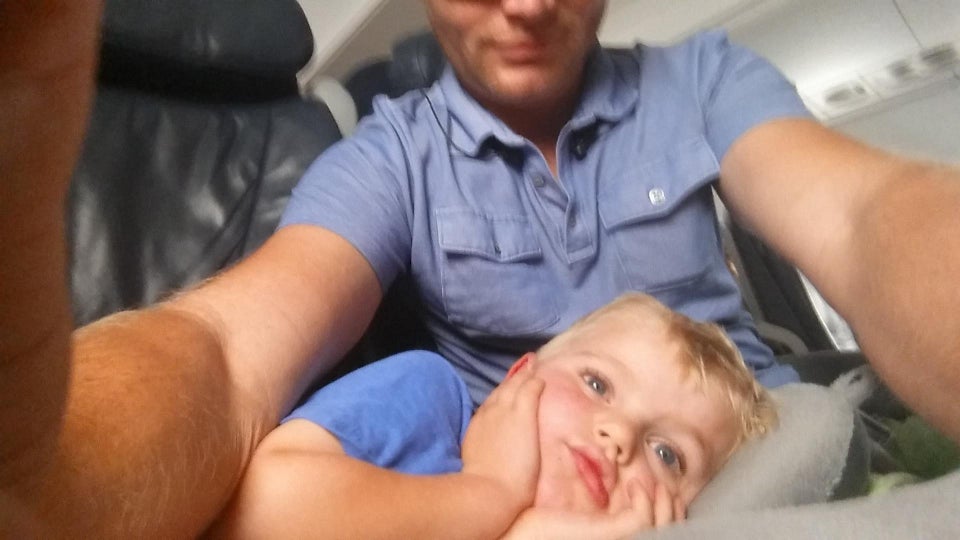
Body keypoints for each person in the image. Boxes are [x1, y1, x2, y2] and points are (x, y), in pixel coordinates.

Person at [2, 0, 959, 537]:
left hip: (760, 460)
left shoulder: (705, 80)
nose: (529, 4)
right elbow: (227, 347)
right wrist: (36, 491)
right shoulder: (390, 158)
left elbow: (864, 215)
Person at [211, 293, 777, 538]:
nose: (620, 435)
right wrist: (491, 490)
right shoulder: (430, 396)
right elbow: (262, 513)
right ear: (519, 376)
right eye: (597, 384)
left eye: (667, 454)